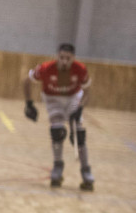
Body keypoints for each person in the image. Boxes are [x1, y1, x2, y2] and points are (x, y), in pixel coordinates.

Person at [23, 43, 94, 190]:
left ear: (73, 58)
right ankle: (57, 167)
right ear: (57, 56)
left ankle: (86, 171)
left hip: (73, 97)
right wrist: (29, 104)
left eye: (68, 58)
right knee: (57, 132)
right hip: (52, 98)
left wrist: (80, 108)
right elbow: (26, 81)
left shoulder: (80, 69)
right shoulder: (46, 68)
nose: (64, 61)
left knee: (79, 134)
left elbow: (87, 91)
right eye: (61, 58)